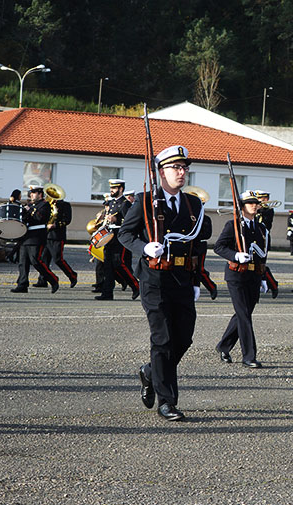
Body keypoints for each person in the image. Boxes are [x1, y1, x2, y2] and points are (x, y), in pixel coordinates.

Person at [118, 145, 212, 421]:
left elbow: (197, 246)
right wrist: (145, 247)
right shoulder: (145, 201)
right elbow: (125, 234)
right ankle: (167, 402)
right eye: (175, 168)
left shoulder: (194, 204)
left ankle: (150, 371)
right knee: (163, 338)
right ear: (161, 172)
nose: (181, 172)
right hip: (154, 278)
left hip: (182, 278)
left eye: (184, 168)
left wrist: (196, 281)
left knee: (184, 338)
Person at [214, 190, 269, 368]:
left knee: (243, 314)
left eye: (255, 203)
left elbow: (262, 255)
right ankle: (249, 356)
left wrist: (263, 277)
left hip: (253, 275)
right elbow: (219, 247)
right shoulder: (233, 225)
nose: (254, 205)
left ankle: (223, 346)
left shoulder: (261, 228)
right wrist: (236, 255)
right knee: (244, 315)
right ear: (242, 206)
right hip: (236, 275)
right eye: (249, 203)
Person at [96, 179, 139, 301]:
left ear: (121, 189)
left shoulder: (125, 204)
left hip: (119, 236)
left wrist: (117, 220)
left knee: (118, 263)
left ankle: (136, 286)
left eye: (114, 188)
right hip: (110, 236)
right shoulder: (111, 203)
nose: (111, 190)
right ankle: (107, 293)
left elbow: (130, 221)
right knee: (108, 266)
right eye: (111, 188)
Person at [11, 186, 59, 294]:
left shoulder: (45, 205)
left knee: (36, 261)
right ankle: (22, 284)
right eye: (30, 193)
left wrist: (29, 210)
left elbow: (40, 218)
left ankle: (53, 279)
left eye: (33, 193)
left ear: (40, 194)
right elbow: (25, 218)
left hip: (37, 237)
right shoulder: (30, 205)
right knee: (22, 262)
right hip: (26, 236)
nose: (31, 195)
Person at [34, 188, 78, 289]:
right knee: (43, 260)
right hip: (46, 235)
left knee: (58, 259)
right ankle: (42, 280)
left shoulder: (65, 205)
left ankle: (72, 275)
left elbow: (67, 220)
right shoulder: (47, 204)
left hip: (57, 236)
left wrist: (56, 225)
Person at [253, 190, 279, 299]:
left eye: (262, 199)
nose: (259, 201)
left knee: (261, 265)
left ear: (266, 199)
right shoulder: (255, 209)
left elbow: (266, 223)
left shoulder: (268, 210)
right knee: (253, 264)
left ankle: (273, 285)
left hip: (263, 239)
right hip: (253, 237)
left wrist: (259, 209)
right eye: (258, 199)